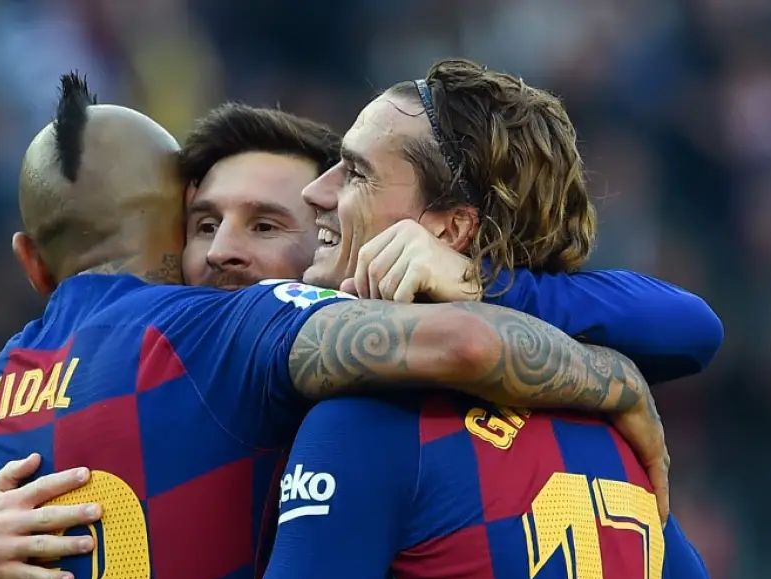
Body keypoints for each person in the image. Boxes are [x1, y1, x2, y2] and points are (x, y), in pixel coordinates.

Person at [0, 62, 751, 579]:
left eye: (357, 173)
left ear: (447, 227)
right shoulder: (604, 421)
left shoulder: (365, 421)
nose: (322, 195)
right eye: (201, 225)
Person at [177, 102, 722, 384]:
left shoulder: (372, 386)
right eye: (203, 225)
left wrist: (476, 284)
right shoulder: (135, 338)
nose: (220, 250)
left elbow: (690, 325)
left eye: (266, 226)